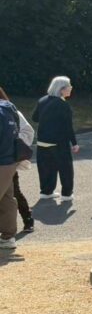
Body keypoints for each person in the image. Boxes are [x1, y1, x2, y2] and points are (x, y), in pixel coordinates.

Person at [32, 76, 79, 202]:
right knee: (65, 169)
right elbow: (68, 127)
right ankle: (66, 194)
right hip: (59, 143)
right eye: (69, 86)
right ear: (61, 89)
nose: (71, 88)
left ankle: (46, 192)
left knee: (46, 168)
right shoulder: (63, 105)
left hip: (42, 141)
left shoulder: (42, 100)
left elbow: (34, 118)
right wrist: (74, 143)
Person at [0, 86, 34, 233]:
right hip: (9, 159)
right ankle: (8, 234)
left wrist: (11, 141)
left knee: (14, 193)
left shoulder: (9, 111)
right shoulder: (9, 109)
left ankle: (27, 219)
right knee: (9, 196)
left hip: (9, 159)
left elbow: (28, 131)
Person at [0, 93, 24, 250]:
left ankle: (8, 237)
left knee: (7, 199)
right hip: (9, 161)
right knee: (7, 199)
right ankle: (8, 237)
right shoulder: (9, 108)